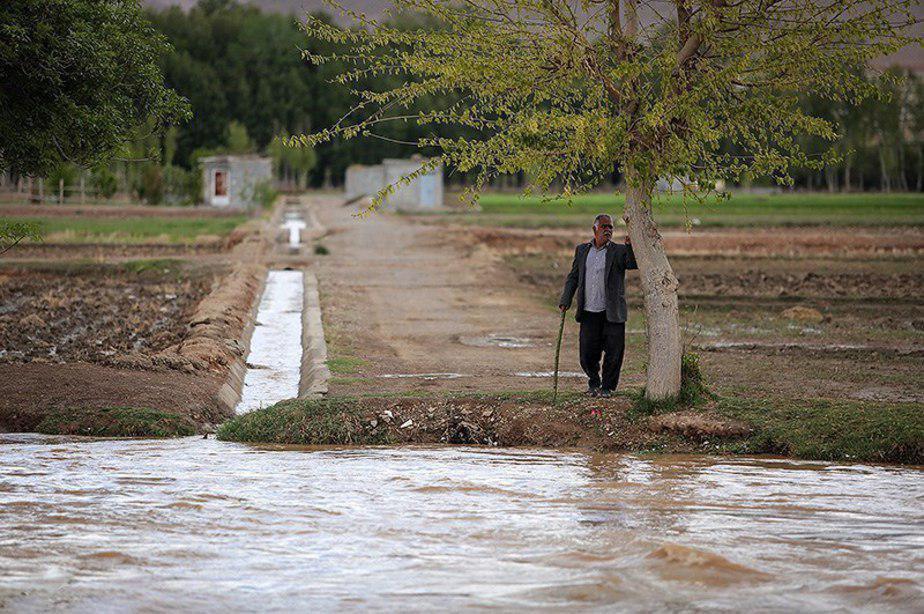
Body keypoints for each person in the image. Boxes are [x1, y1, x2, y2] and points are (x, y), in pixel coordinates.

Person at [558, 213, 637, 398]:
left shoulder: (618, 251)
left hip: (612, 311)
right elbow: (574, 277)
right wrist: (565, 299)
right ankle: (594, 382)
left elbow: (632, 264)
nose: (608, 230)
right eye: (604, 227)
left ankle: (607, 387)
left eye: (610, 227)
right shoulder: (582, 250)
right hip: (589, 311)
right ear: (595, 229)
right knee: (587, 352)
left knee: (614, 352)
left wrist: (630, 246)